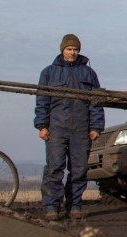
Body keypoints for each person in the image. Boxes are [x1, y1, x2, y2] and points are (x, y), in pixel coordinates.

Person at [35, 34, 105, 220]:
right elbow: (42, 101)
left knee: (79, 169)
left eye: (75, 49)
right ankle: (51, 207)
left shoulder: (89, 74)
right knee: (54, 168)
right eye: (69, 49)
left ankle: (74, 205)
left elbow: (96, 103)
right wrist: (42, 126)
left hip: (81, 129)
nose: (72, 53)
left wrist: (96, 127)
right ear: (62, 50)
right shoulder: (48, 73)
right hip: (56, 127)